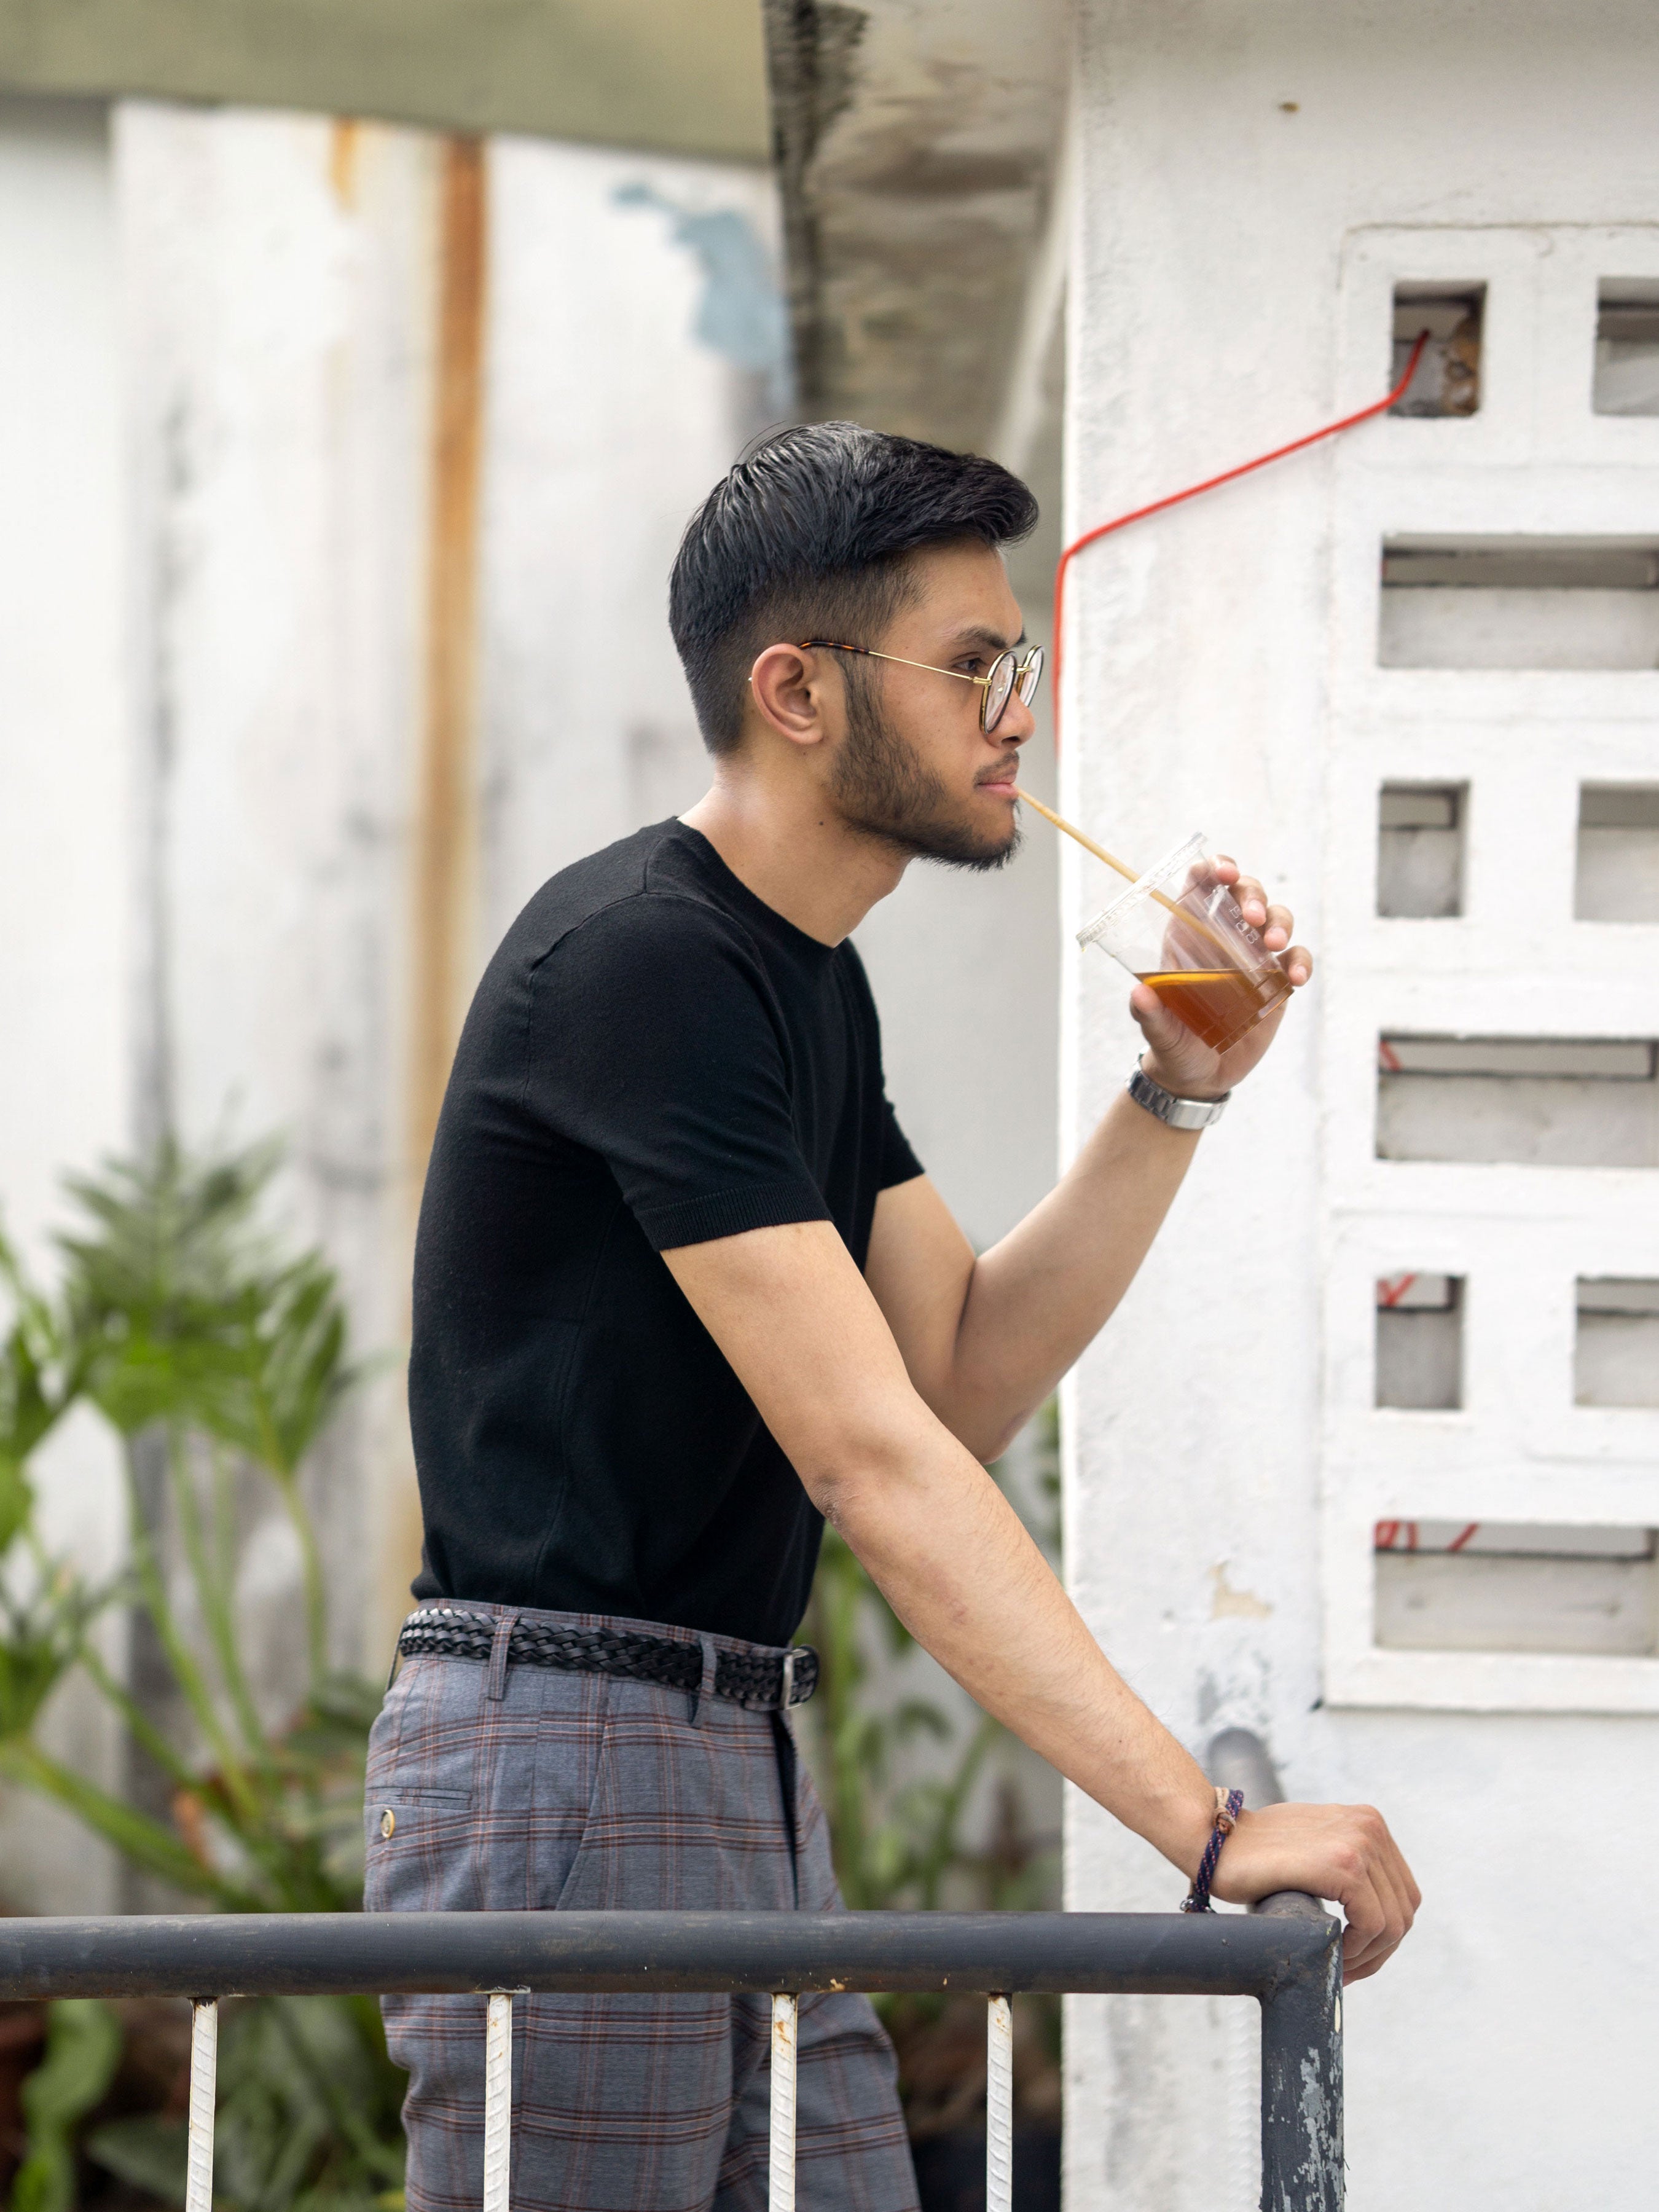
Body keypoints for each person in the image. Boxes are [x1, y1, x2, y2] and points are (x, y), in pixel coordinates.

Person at [365, 422, 1418, 2212]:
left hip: (730, 1751)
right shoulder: (641, 964)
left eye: (1020, 664)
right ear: (793, 690)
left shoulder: (802, 987)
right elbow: (872, 1461)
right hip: (568, 1751)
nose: (1018, 711)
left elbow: (956, 1380)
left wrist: (1175, 1087)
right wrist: (1206, 1829)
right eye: (969, 665)